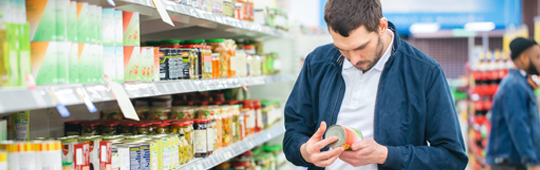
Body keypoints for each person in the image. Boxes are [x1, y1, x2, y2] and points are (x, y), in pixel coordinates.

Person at [282, 0, 468, 169]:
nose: (354, 59)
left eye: (361, 47)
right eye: (343, 49)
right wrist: (304, 151)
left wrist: (386, 155)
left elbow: (452, 158)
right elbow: (293, 133)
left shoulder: (425, 72)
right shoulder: (317, 63)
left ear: (381, 26)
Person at [486, 37, 540, 170]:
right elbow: (518, 125)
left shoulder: (521, 84)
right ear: (524, 59)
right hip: (508, 164)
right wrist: (532, 161)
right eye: (538, 57)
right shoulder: (514, 85)